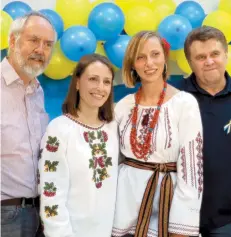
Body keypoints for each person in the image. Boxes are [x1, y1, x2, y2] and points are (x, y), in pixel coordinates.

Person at [112, 31, 203, 237]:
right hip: (124, 208)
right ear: (132, 63)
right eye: (140, 57)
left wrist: (181, 226)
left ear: (165, 57)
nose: (149, 63)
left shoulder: (184, 103)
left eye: (155, 54)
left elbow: (191, 169)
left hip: (167, 205)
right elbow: (112, 160)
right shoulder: (123, 106)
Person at [175, 26, 231, 237]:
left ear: (226, 55)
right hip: (177, 216)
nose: (209, 61)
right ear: (190, 63)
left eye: (215, 54)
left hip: (224, 218)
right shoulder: (174, 96)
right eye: (201, 57)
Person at [38, 54, 119, 237]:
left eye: (107, 82)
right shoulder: (59, 129)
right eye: (93, 79)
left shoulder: (114, 128)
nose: (100, 87)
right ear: (77, 82)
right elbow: (51, 192)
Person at [1, 11, 57, 237]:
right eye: (34, 40)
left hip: (39, 212)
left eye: (47, 44)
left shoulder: (37, 91)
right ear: (13, 41)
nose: (41, 50)